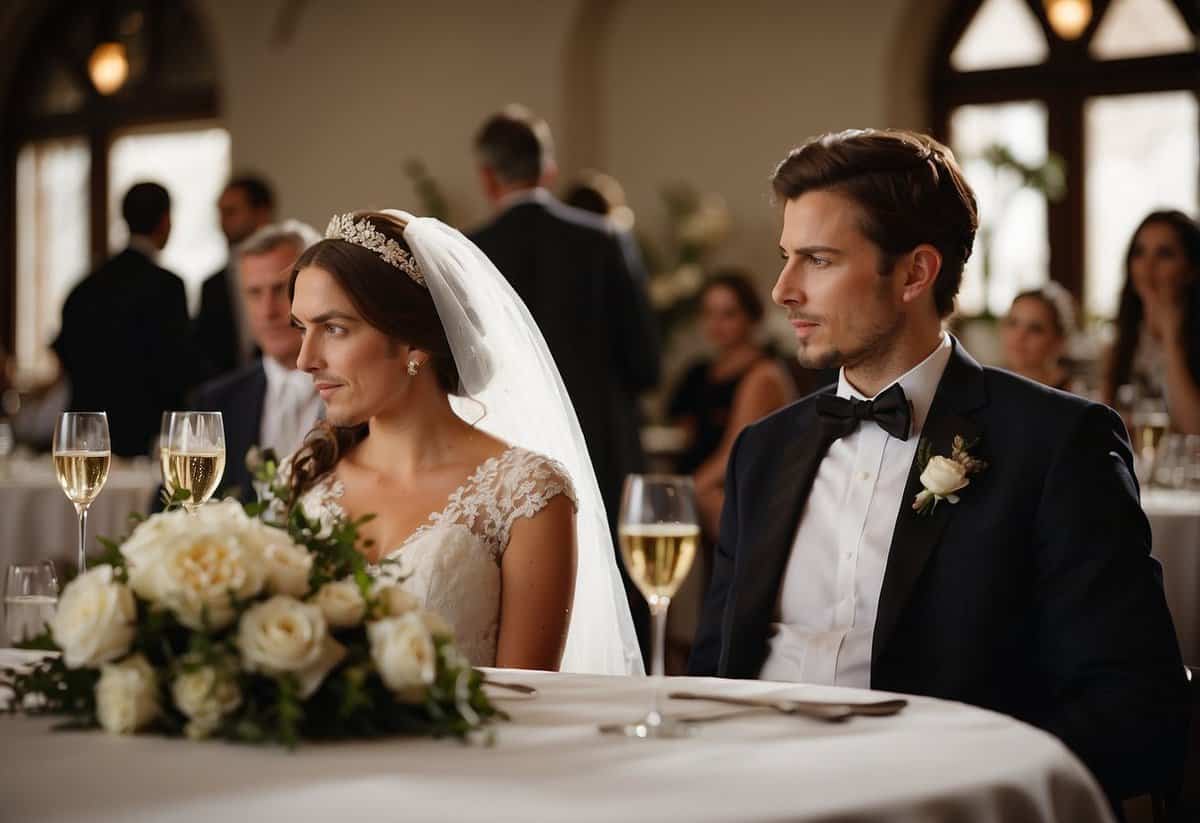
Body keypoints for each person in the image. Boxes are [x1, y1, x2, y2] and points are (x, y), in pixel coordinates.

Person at [688, 129, 1188, 806]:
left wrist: (943, 791)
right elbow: (711, 676)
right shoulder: (763, 451)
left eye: (819, 260)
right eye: (786, 258)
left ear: (915, 273)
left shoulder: (1055, 445)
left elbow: (1137, 712)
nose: (782, 290)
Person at [281, 209, 641, 675]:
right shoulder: (306, 477)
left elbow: (527, 698)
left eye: (334, 329)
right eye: (301, 329)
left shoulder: (527, 494)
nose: (305, 359)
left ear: (414, 343)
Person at [469, 106, 661, 659]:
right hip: (601, 448)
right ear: (548, 170)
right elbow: (645, 364)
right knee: (620, 590)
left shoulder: (471, 250)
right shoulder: (602, 239)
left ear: (486, 177)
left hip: (505, 458)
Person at [53, 182, 202, 456]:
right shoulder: (167, 287)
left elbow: (64, 354)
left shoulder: (84, 287)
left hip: (87, 440)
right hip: (148, 438)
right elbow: (176, 365)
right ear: (165, 221)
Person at [188, 221, 323, 501]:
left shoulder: (360, 397)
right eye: (254, 293)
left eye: (280, 290)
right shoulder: (214, 402)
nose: (267, 311)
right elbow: (174, 509)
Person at [668, 271, 794, 536]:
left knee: (700, 501)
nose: (716, 323)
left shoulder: (762, 375)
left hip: (744, 488)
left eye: (728, 314)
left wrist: (683, 492)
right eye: (708, 313)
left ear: (752, 317)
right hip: (707, 484)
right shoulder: (699, 373)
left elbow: (732, 457)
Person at [1102, 210, 1200, 434]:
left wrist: (1171, 337)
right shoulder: (1120, 344)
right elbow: (1103, 429)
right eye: (1139, 253)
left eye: (1164, 254)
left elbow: (1195, 429)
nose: (1148, 266)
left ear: (1191, 268)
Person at [194, 175, 276, 375]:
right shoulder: (211, 286)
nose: (222, 222)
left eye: (231, 212)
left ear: (261, 214)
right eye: (220, 213)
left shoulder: (295, 276)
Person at [999, 282, 1076, 391]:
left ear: (1059, 340)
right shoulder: (991, 384)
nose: (1019, 336)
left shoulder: (1074, 400)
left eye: (1035, 329)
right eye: (1013, 323)